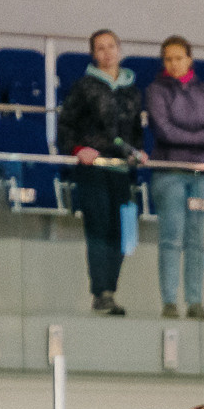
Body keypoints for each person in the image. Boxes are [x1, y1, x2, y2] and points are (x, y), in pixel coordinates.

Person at [59, 28, 145, 317]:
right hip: (93, 168)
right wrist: (77, 149)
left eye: (111, 46)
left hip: (121, 169)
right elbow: (65, 126)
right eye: (100, 48)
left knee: (121, 233)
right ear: (93, 54)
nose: (107, 52)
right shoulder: (84, 86)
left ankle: (111, 289)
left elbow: (134, 132)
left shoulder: (132, 89)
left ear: (120, 49)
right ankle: (101, 292)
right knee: (98, 228)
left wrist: (137, 151)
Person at [144, 35, 204, 319]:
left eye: (178, 58)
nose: (173, 63)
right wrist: (199, 140)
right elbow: (163, 129)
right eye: (168, 58)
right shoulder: (156, 90)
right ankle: (169, 300)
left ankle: (195, 300)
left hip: (203, 176)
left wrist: (190, 140)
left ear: (189, 59)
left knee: (198, 238)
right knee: (172, 236)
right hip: (169, 174)